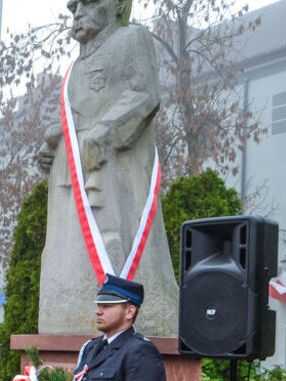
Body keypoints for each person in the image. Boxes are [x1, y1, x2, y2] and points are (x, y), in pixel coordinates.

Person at [36, 0, 179, 337]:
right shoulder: (76, 65)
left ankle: (139, 314)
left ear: (116, 5)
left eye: (88, 3)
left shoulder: (131, 39)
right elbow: (76, 118)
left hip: (113, 165)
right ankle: (67, 314)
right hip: (73, 169)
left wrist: (106, 131)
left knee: (113, 235)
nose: (78, 12)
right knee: (68, 246)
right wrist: (52, 142)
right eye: (73, 8)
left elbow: (144, 95)